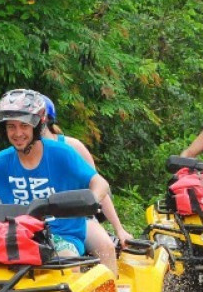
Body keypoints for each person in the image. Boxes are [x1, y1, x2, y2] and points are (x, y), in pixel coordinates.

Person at [0, 88, 122, 275]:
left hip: (60, 236)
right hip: (15, 237)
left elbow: (100, 183)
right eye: (11, 126)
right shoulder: (1, 161)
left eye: (24, 126)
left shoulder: (62, 153)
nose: (18, 133)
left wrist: (91, 199)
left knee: (66, 266)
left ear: (36, 126)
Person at [39, 94, 134, 250]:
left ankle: (111, 274)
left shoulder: (72, 147)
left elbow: (97, 186)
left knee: (106, 248)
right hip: (37, 219)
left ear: (46, 119)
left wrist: (119, 229)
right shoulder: (21, 152)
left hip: (77, 218)